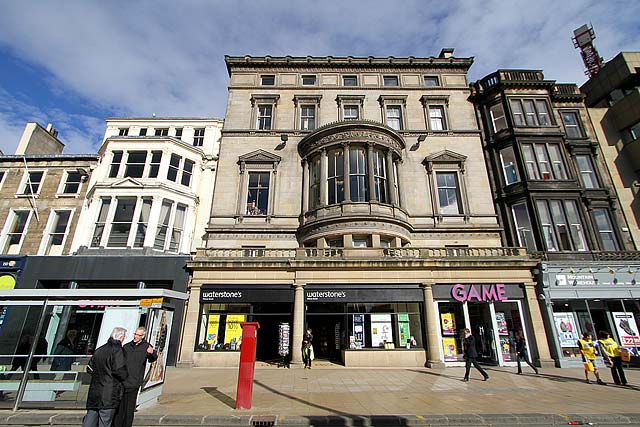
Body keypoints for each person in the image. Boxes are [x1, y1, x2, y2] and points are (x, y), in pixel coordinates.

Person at [83, 327, 128, 427]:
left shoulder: (99, 350)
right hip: (109, 393)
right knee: (105, 422)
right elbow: (120, 371)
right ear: (121, 338)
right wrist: (125, 376)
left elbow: (89, 369)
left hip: (95, 391)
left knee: (89, 421)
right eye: (124, 337)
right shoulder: (118, 351)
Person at [114, 327, 157, 427]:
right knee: (120, 408)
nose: (136, 336)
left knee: (129, 409)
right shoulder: (127, 346)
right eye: (135, 334)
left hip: (134, 381)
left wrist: (152, 353)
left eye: (138, 335)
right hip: (123, 381)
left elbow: (153, 358)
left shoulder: (146, 346)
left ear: (143, 336)